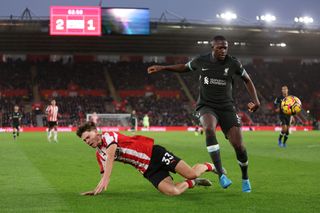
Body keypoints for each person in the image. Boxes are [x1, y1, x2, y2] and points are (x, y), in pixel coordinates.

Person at [147, 35, 260, 192]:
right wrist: (163, 67)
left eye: (225, 47)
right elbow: (184, 67)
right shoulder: (201, 60)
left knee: (239, 146)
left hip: (227, 107)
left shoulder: (233, 63)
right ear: (212, 48)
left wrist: (256, 101)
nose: (223, 50)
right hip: (206, 106)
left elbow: (247, 80)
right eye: (219, 47)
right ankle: (221, 173)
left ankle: (245, 177)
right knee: (208, 128)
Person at [76, 121, 223, 196]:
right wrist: (96, 190)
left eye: (88, 137)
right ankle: (193, 183)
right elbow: (103, 172)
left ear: (96, 131)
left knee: (192, 172)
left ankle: (209, 166)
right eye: (85, 141)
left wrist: (107, 179)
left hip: (155, 154)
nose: (88, 142)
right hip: (146, 169)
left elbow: (110, 154)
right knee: (173, 192)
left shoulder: (108, 135)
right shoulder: (98, 154)